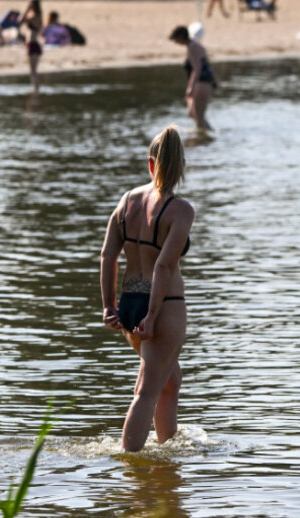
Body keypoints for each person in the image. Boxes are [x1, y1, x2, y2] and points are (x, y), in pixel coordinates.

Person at [100, 125, 195, 453]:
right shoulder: (180, 211)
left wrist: (109, 306)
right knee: (146, 391)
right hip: (162, 307)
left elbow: (107, 254)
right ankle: (131, 466)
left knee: (169, 380)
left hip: (129, 305)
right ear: (181, 166)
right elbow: (163, 267)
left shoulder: (127, 202)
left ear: (151, 164)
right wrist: (153, 316)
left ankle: (166, 454)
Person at [169, 26, 216, 131]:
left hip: (202, 83)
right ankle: (210, 133)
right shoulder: (193, 44)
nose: (176, 42)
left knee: (199, 117)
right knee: (193, 114)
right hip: (202, 83)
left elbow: (197, 69)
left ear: (181, 37)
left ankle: (202, 143)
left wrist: (190, 88)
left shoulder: (192, 46)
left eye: (176, 39)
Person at [20, 0, 43, 91]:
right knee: (33, 71)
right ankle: (35, 89)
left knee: (33, 71)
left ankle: (36, 90)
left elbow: (20, 20)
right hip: (34, 44)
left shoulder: (35, 16)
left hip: (33, 44)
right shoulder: (38, 16)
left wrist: (26, 9)